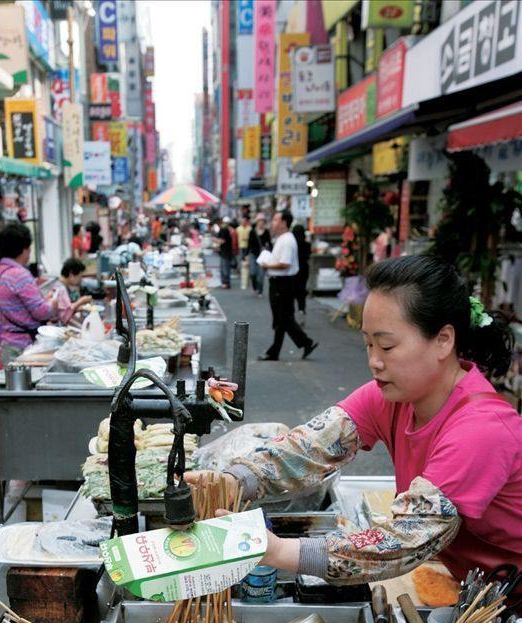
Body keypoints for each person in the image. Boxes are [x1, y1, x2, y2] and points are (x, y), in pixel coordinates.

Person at [188, 256, 521, 588]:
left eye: (387, 346)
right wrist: (234, 480)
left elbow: (405, 541)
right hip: (481, 586)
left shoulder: (482, 429)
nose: (374, 361)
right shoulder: (391, 396)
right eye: (368, 344)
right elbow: (308, 447)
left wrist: (277, 550)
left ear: (443, 341)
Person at [0, 222, 57, 366]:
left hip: (9, 344)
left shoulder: (2, 272)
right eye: (29, 248)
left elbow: (22, 306)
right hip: (24, 348)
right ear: (23, 249)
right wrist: (52, 303)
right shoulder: (19, 274)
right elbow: (42, 312)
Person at [258, 210, 317, 361]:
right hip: (280, 283)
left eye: (276, 220)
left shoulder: (287, 240)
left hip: (282, 284)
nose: (273, 223)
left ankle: (304, 343)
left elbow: (285, 263)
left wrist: (267, 265)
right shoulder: (282, 238)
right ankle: (279, 350)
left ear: (284, 222)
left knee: (283, 318)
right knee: (282, 319)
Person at [53, 258, 92, 325]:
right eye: (80, 277)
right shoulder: (59, 289)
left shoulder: (67, 285)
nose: (80, 280)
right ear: (71, 275)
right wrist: (81, 301)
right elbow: (65, 315)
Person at [247, 214, 272, 297]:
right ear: (257, 222)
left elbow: (270, 243)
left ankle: (260, 291)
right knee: (253, 273)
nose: (261, 223)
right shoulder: (252, 231)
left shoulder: (266, 232)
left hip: (263, 256)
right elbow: (249, 244)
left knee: (261, 275)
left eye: (262, 221)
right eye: (259, 221)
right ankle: (255, 288)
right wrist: (246, 255)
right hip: (253, 254)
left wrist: (271, 252)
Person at [292, 223, 311, 318]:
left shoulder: (292, 245)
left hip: (293, 270)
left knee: (293, 290)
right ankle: (301, 309)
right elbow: (308, 256)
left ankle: (292, 312)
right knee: (302, 289)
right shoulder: (307, 244)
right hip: (304, 269)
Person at [214, 218, 233, 289]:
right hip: (224, 252)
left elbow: (222, 241)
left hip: (226, 252)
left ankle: (226, 283)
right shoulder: (224, 230)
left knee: (225, 268)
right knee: (223, 268)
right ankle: (224, 282)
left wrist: (215, 240)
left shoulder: (224, 230)